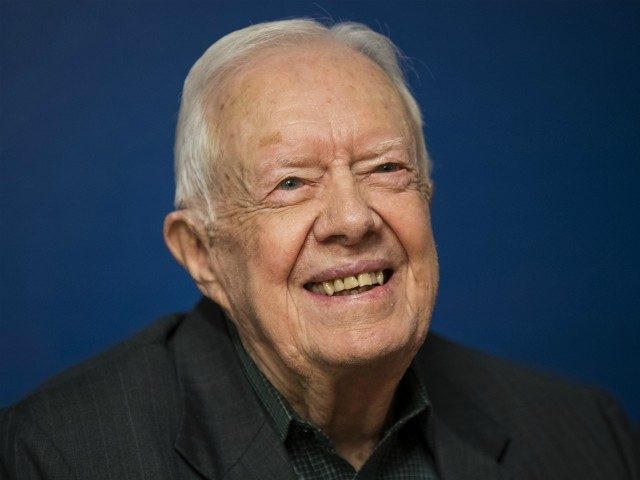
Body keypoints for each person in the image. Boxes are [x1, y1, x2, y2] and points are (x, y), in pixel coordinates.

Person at [1, 18, 638, 480]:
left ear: (428, 198)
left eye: (386, 168)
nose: (353, 218)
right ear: (200, 253)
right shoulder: (54, 455)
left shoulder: (586, 434)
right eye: (291, 183)